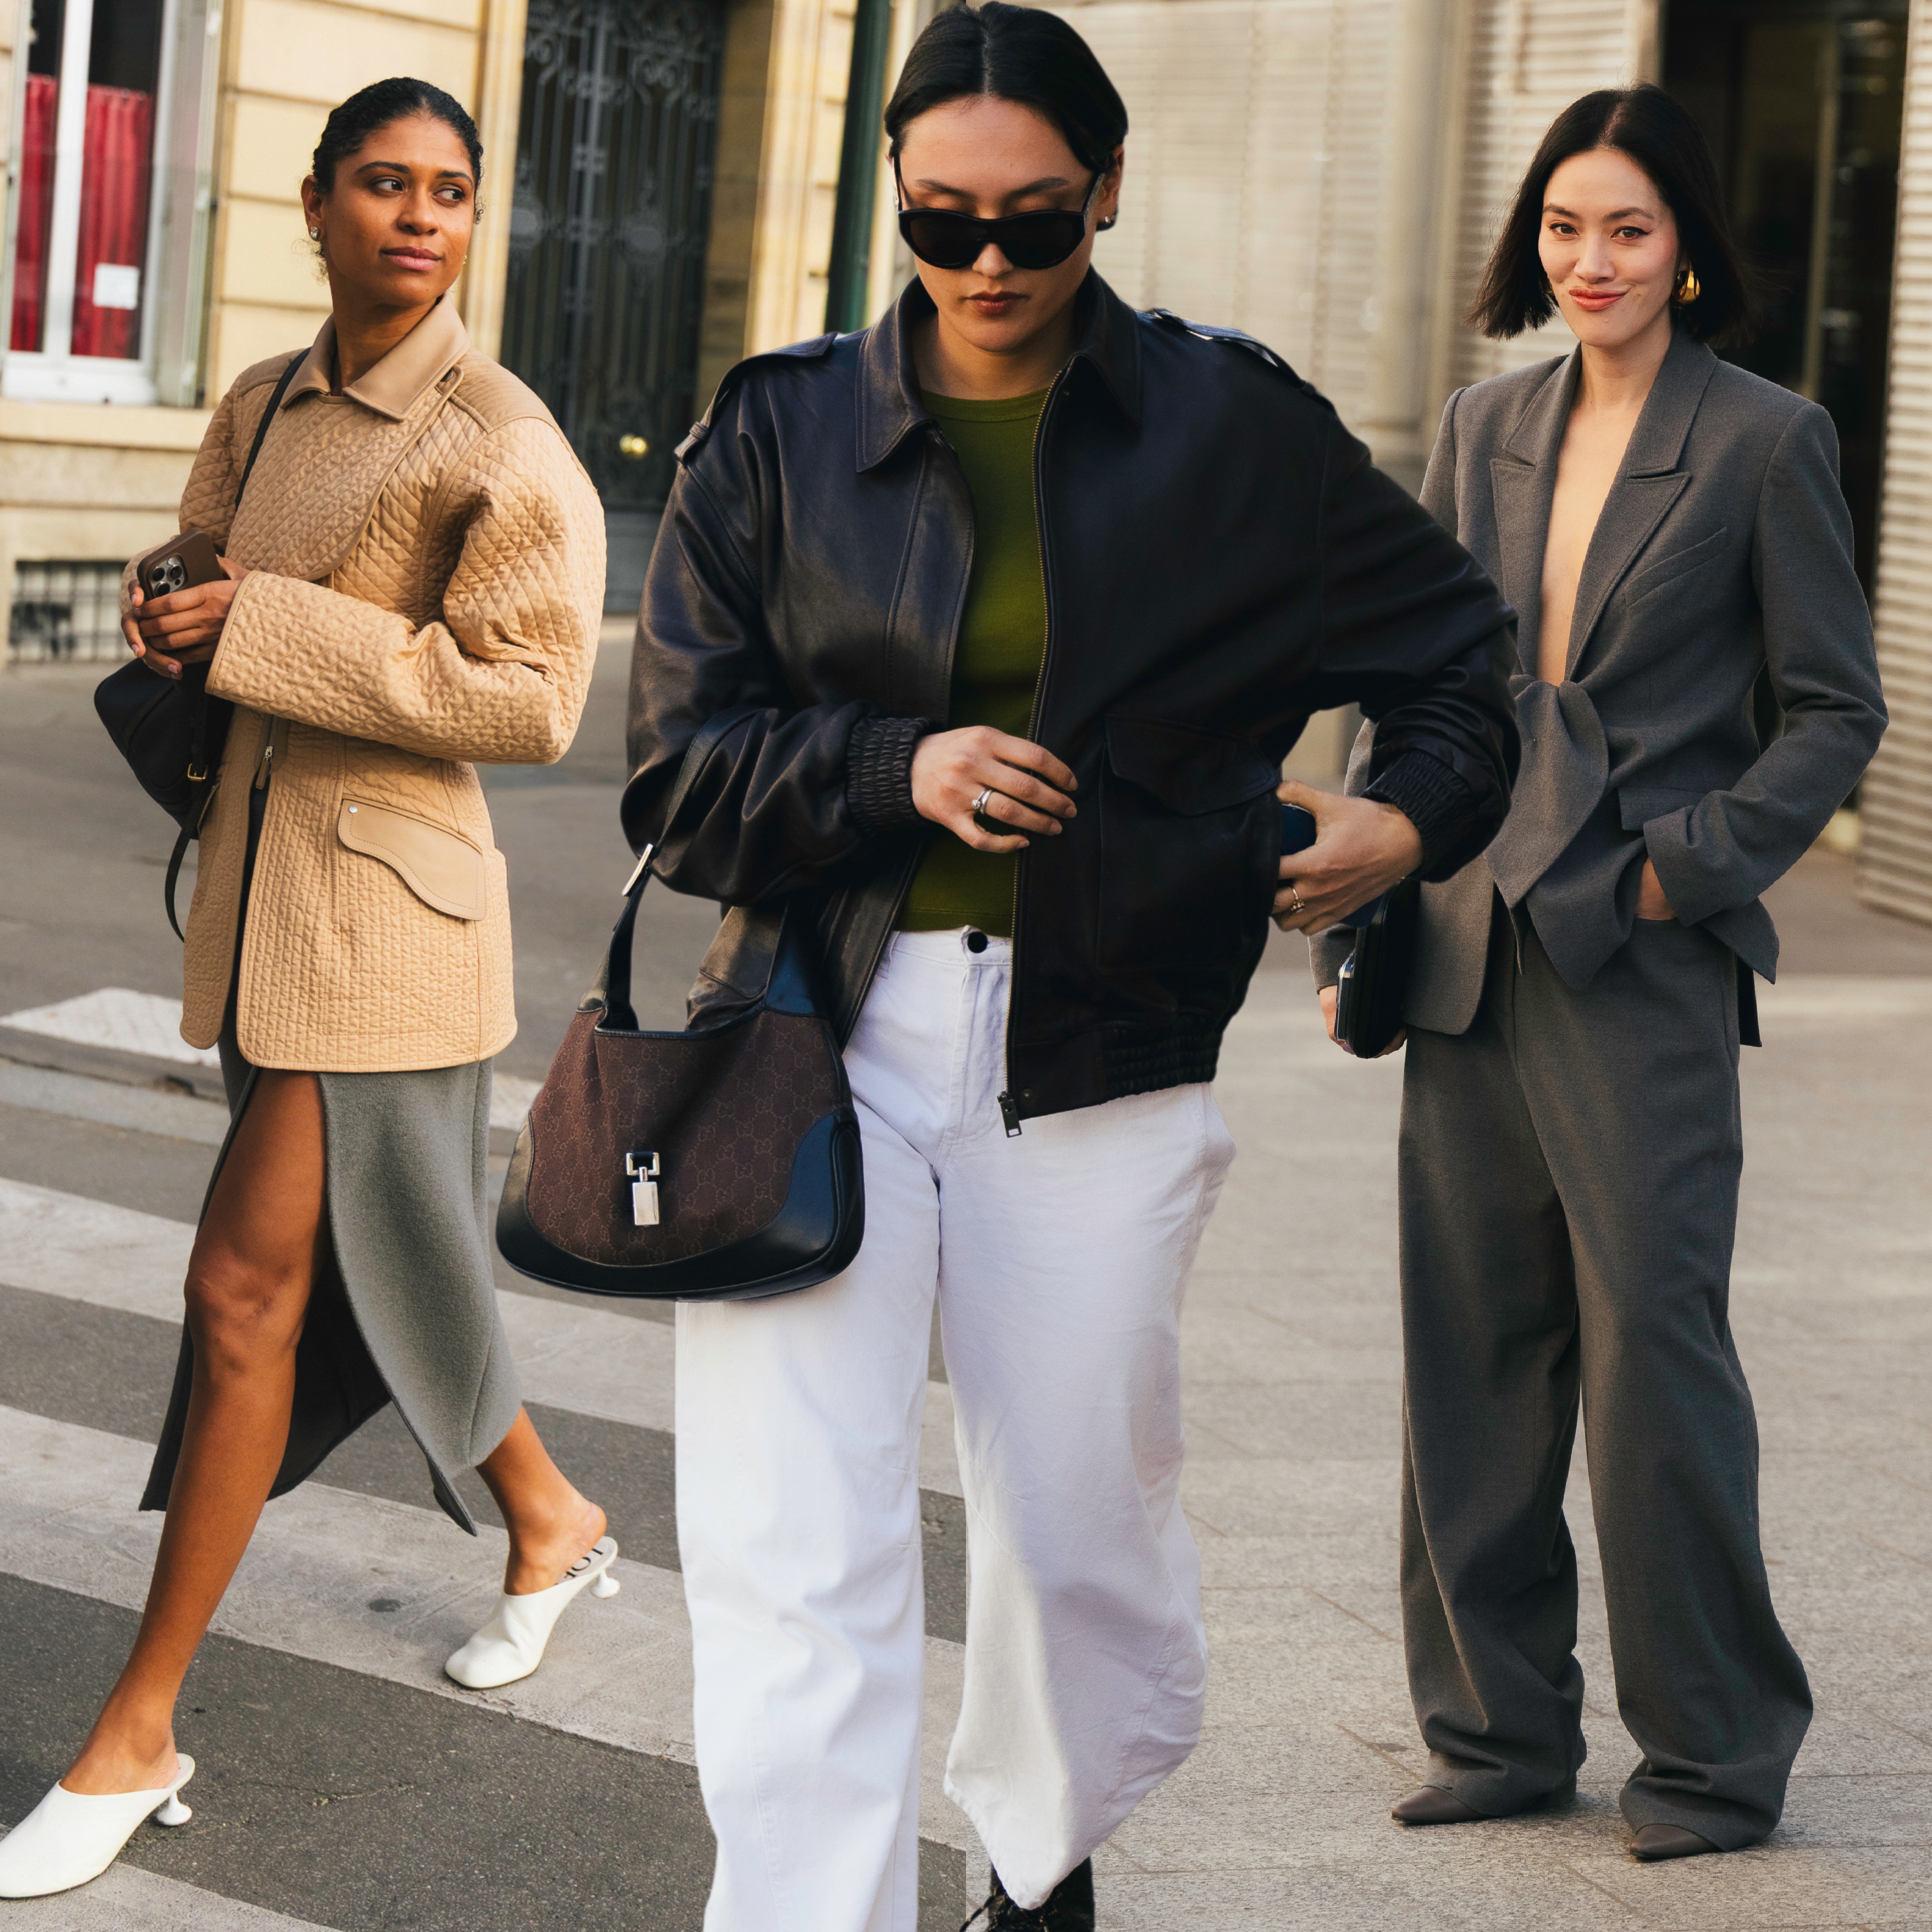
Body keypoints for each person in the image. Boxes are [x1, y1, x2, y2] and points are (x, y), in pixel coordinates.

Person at [624, 7, 1517, 1925]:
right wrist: (894, 765)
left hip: (1103, 1054)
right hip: (815, 1042)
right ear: (897, 203)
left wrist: (1407, 819)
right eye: (944, 223)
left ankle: (1039, 1861)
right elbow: (675, 778)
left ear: (1109, 192)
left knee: (1083, 1537)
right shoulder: (778, 429)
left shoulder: (1234, 428)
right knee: (797, 1549)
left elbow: (1459, 651)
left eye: (1038, 220)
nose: (992, 267)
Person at [0, 79, 613, 1901]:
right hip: (267, 898)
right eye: (383, 184)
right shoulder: (263, 396)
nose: (419, 218)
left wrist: (263, 624)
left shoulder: (499, 435)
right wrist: (173, 599)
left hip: (394, 936)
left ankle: (140, 1731)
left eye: (448, 193)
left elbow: (532, 697)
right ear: (316, 204)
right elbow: (211, 560)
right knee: (398, 1263)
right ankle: (552, 1518)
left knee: (244, 1290)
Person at [1310, 85, 1886, 1862]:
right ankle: (1493, 1727)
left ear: (1689, 246)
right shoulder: (1485, 423)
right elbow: (1413, 670)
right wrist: (1362, 863)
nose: (1592, 260)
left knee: (1656, 1348)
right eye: (1566, 227)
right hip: (1467, 933)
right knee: (1470, 1349)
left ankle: (1713, 1755)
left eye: (1627, 228)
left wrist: (1680, 865)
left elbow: (1836, 712)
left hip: (1633, 955)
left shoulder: (1766, 440)